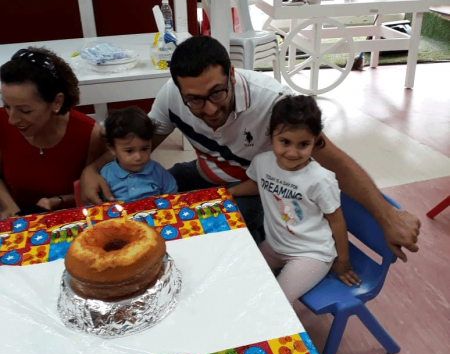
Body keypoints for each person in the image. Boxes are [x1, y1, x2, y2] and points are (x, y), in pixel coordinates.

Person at [80, 35, 421, 262]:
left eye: (217, 93)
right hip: (206, 173)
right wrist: (92, 169)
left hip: (258, 190)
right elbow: (138, 145)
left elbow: (335, 161)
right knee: (147, 199)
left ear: (232, 74)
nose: (209, 109)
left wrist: (386, 214)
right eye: (194, 100)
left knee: (206, 233)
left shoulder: (273, 103)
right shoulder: (172, 96)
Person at [229, 95, 361, 306]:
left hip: (311, 253)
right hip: (274, 246)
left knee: (276, 304)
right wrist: (231, 192)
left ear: (315, 140)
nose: (292, 152)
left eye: (303, 144)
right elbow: (258, 184)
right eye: (285, 142)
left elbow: (336, 221)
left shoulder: (321, 180)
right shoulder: (262, 162)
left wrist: (343, 261)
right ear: (270, 134)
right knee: (241, 280)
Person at [0, 47, 105, 218]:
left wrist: (59, 201)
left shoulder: (90, 135)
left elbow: (93, 193)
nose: (12, 120)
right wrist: (9, 207)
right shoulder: (1, 123)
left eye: (25, 111)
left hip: (70, 220)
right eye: (7, 106)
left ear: (57, 102)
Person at [100, 106, 177, 201]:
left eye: (144, 149)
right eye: (129, 151)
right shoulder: (106, 174)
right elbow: (99, 204)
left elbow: (172, 193)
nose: (138, 157)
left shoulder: (157, 171)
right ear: (112, 149)